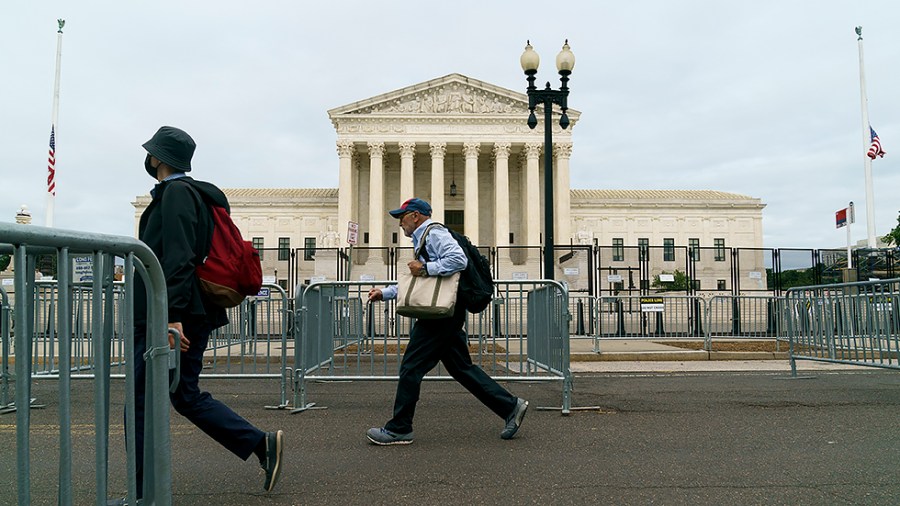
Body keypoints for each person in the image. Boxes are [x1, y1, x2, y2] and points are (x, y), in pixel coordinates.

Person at [127, 126, 283, 501]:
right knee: (183, 394)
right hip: (184, 310)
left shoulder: (178, 193)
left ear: (157, 158)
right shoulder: (195, 194)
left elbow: (178, 256)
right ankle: (261, 446)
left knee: (144, 401)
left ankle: (143, 492)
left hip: (172, 313)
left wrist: (171, 316)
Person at [365, 197, 528, 445]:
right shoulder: (424, 238)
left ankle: (399, 428)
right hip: (446, 314)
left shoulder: (434, 234)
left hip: (440, 315)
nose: (400, 223)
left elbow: (457, 260)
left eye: (402, 217)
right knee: (462, 369)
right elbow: (421, 282)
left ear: (416, 216)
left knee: (411, 367)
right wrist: (386, 293)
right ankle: (510, 407)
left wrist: (425, 269)